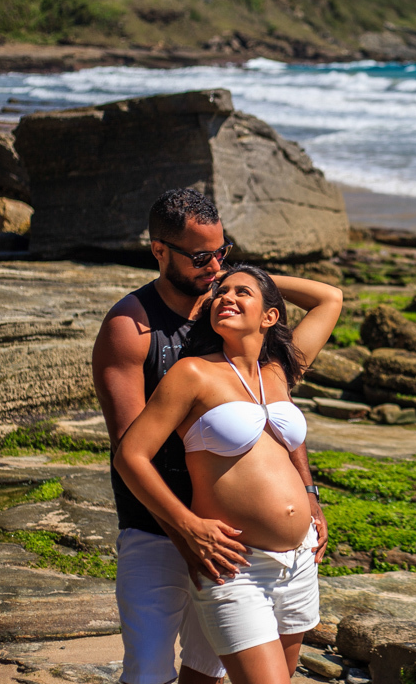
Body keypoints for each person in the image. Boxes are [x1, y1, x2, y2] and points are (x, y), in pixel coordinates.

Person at [92, 188, 329, 684]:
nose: (215, 267)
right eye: (202, 257)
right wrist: (187, 530)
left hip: (238, 541)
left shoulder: (227, 318)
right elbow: (131, 452)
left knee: (207, 672)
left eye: (222, 252)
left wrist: (307, 492)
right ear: (159, 251)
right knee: (150, 669)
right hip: (160, 527)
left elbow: (276, 421)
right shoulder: (131, 328)